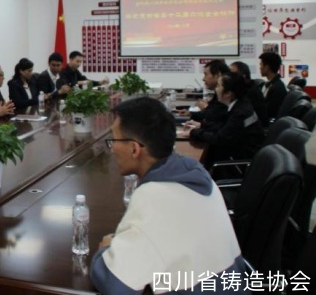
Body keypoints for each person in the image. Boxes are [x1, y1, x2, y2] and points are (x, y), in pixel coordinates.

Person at [91, 97, 248, 294]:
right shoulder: (193, 171)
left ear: (134, 148)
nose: (112, 148)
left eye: (114, 140)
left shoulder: (154, 197)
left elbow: (115, 285)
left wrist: (105, 249)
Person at [180, 72, 265, 168]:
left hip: (238, 162)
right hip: (238, 154)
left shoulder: (240, 113)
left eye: (218, 86)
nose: (216, 89)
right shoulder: (240, 105)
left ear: (228, 93)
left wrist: (193, 132)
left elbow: (219, 139)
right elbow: (225, 127)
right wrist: (202, 125)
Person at [177, 60, 230, 129]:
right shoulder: (217, 94)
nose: (203, 79)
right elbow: (210, 114)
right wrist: (190, 114)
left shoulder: (226, 97)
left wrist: (205, 108)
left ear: (217, 75)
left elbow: (216, 119)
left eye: (206, 74)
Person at [230, 61, 269, 126]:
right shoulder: (246, 88)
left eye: (232, 75)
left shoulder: (251, 93)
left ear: (243, 77)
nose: (229, 77)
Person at [259, 51, 287, 121]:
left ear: (267, 67)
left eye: (261, 64)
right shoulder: (271, 84)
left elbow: (269, 113)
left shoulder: (277, 88)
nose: (260, 68)